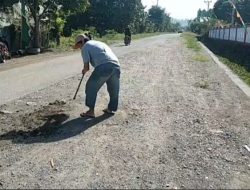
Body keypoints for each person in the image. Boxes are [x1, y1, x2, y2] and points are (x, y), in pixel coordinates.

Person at [73, 34, 121, 118]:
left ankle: (90, 111)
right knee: (113, 89)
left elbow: (86, 67)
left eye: (79, 46)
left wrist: (84, 70)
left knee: (90, 87)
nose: (80, 48)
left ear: (82, 42)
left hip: (103, 67)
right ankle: (111, 109)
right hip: (116, 66)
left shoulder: (85, 47)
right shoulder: (99, 43)